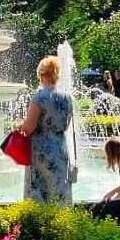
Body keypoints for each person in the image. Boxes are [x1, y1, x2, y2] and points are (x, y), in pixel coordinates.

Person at [18, 56, 75, 206]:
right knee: (59, 187)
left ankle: (41, 218)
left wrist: (19, 127)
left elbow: (29, 128)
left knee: (40, 191)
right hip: (60, 148)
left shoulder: (39, 97)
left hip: (41, 150)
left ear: (41, 75)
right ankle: (61, 217)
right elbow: (66, 125)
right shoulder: (67, 98)